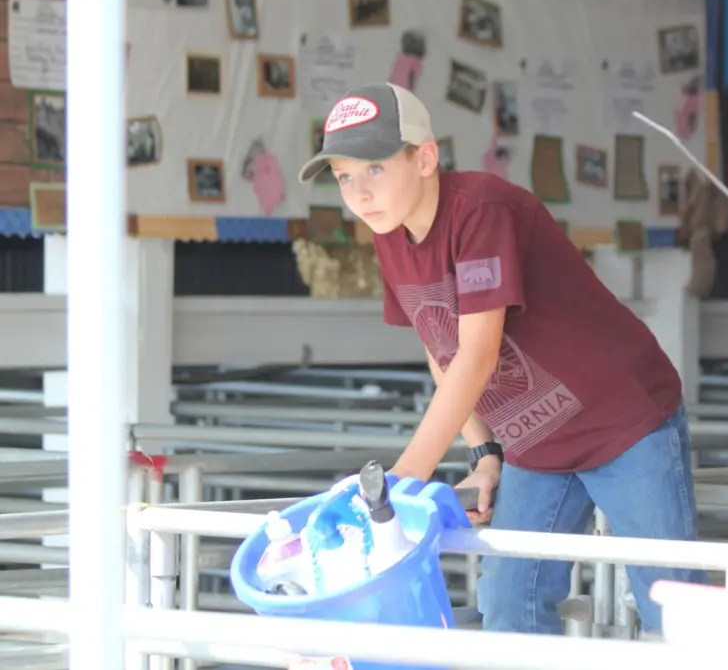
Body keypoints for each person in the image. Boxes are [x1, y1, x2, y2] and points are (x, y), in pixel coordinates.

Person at [298, 82, 705, 635]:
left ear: (425, 159)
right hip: (535, 445)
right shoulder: (388, 230)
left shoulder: (480, 210)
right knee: (509, 605)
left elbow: (478, 354)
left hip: (623, 422)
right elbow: (439, 342)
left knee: (670, 607)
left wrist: (406, 476)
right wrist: (485, 451)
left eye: (375, 168)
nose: (360, 192)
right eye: (344, 176)